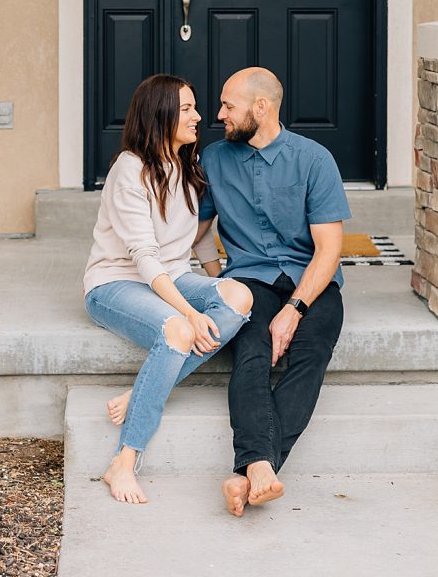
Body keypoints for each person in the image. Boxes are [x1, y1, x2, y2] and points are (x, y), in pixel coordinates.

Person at [83, 73, 253, 505]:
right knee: (177, 330)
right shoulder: (130, 170)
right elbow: (144, 258)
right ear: (160, 116)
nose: (200, 116)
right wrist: (193, 314)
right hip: (116, 282)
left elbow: (196, 239)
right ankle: (123, 460)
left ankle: (146, 386)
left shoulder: (187, 165)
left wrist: (216, 286)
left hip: (171, 275)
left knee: (239, 297)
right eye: (188, 109)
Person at [193, 67, 351, 517]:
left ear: (260, 108)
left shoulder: (314, 159)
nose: (218, 114)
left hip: (311, 280)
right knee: (252, 352)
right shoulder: (215, 159)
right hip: (251, 280)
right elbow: (197, 230)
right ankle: (259, 467)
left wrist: (295, 309)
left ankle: (248, 470)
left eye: (228, 105)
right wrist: (215, 277)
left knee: (311, 350)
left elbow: (329, 250)